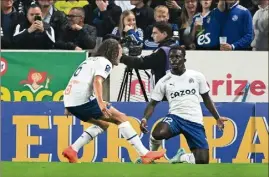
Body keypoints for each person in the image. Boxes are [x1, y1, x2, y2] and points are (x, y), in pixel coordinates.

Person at [62, 38, 165, 164]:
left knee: (103, 125)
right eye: (120, 51)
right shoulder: (105, 62)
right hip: (82, 101)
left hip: (71, 101)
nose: (121, 55)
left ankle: (73, 149)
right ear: (113, 52)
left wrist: (68, 105)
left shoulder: (90, 60)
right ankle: (145, 154)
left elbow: (76, 80)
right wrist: (100, 102)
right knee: (121, 118)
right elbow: (97, 81)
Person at [136, 46, 228, 164]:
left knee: (202, 161)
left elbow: (206, 99)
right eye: (171, 58)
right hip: (176, 118)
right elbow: (152, 104)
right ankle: (149, 156)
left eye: (177, 57)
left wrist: (217, 118)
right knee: (158, 133)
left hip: (195, 122)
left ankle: (182, 157)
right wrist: (144, 118)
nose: (174, 60)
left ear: (184, 59)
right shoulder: (164, 81)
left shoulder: (197, 76)